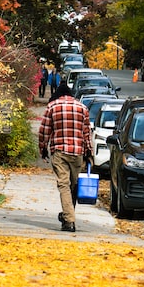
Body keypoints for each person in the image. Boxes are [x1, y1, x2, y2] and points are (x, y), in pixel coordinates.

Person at [38, 82, 92, 232]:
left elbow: (44, 131)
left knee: (63, 185)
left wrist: (43, 148)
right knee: (73, 186)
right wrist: (89, 152)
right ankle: (69, 216)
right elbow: (86, 133)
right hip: (77, 152)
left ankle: (69, 220)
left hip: (60, 151)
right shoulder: (82, 108)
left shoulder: (52, 107)